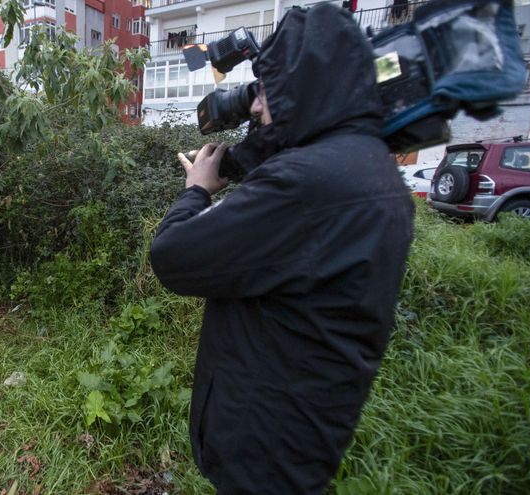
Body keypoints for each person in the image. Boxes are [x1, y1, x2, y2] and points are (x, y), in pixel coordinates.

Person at [150, 4, 414, 494]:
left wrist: (198, 189)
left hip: (263, 443)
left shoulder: (305, 184)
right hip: (307, 431)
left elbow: (172, 257)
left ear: (305, 87)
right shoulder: (372, 170)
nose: (253, 105)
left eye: (267, 88)